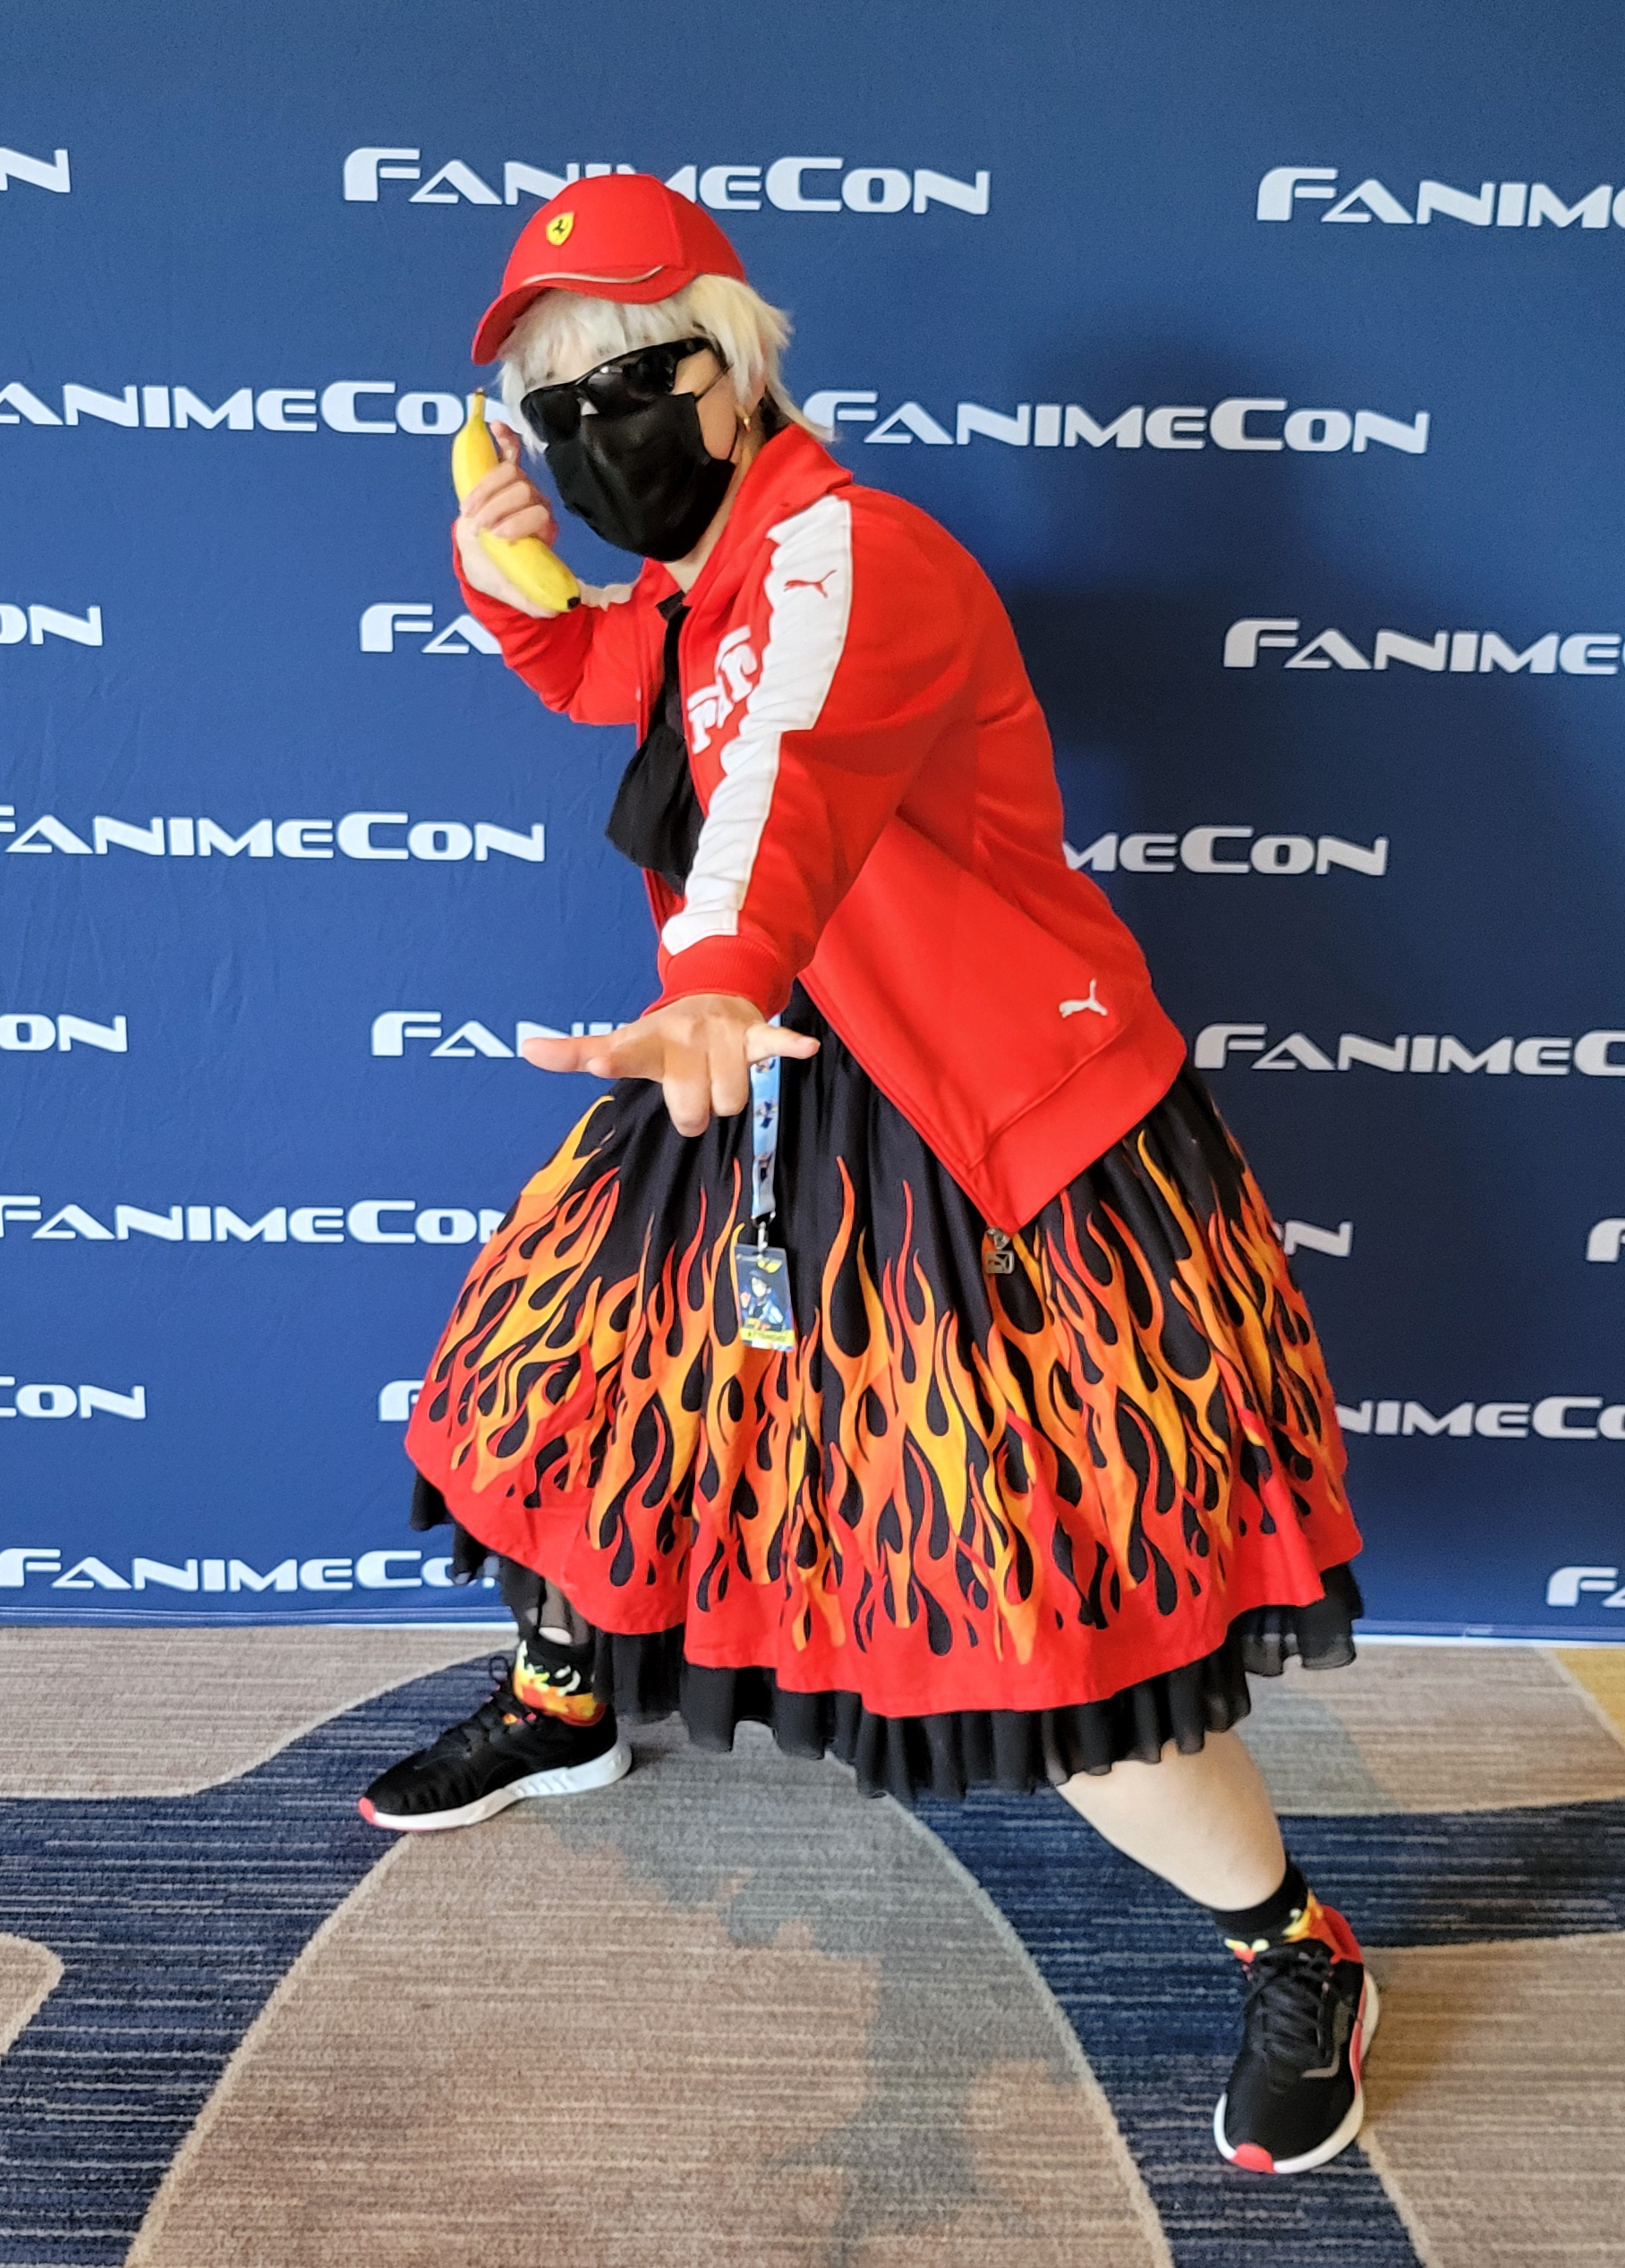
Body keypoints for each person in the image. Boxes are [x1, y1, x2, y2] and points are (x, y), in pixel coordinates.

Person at [360, 173, 1375, 2178]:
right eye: (556, 406)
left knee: (1051, 1612)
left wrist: (712, 981)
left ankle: (1296, 1947)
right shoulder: (707, 578)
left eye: (631, 380)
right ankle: (567, 1693)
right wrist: (507, 572)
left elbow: (783, 783)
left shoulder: (852, 555)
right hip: (770, 1083)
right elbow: (625, 682)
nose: (595, 432)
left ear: (737, 369)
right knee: (566, 1409)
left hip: (979, 1132)